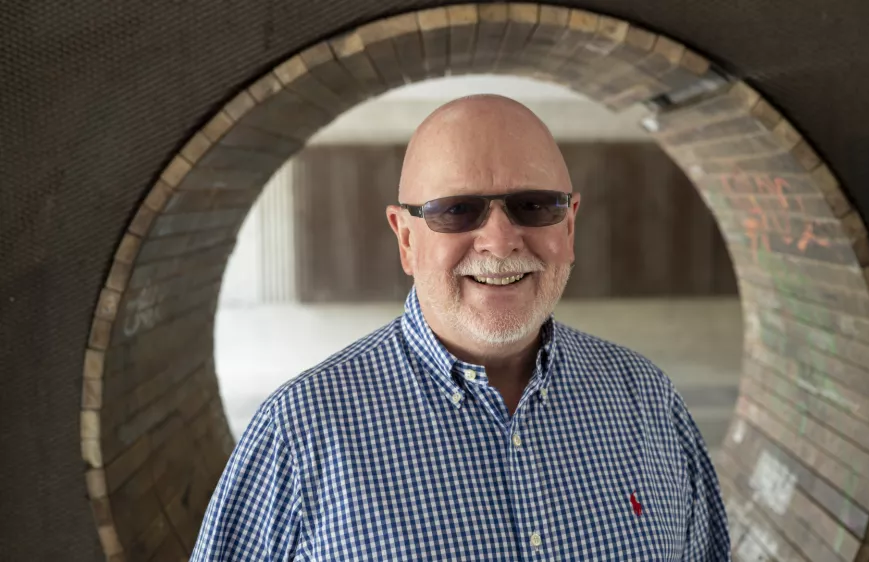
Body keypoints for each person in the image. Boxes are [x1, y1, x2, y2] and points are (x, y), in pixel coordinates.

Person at [191, 95, 731, 561]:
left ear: (568, 226)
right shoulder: (300, 432)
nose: (500, 241)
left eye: (533, 206)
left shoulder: (646, 400)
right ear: (406, 239)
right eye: (456, 211)